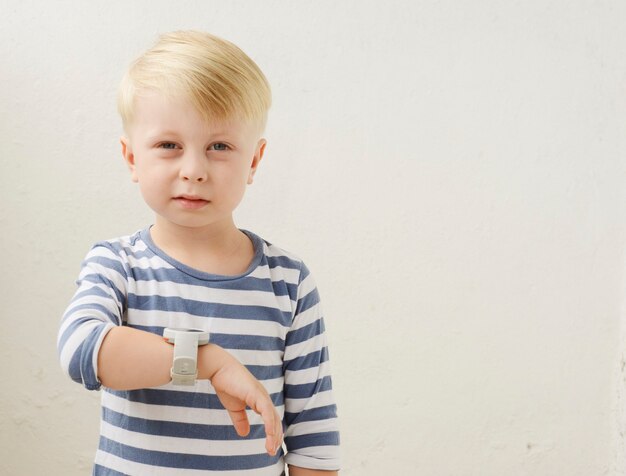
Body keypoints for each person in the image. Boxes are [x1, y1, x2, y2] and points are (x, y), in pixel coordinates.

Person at [57, 30, 340, 475]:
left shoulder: (288, 282)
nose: (194, 171)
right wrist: (207, 362)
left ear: (254, 161)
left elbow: (313, 433)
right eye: (169, 145)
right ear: (132, 158)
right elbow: (81, 350)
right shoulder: (119, 265)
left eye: (220, 147)